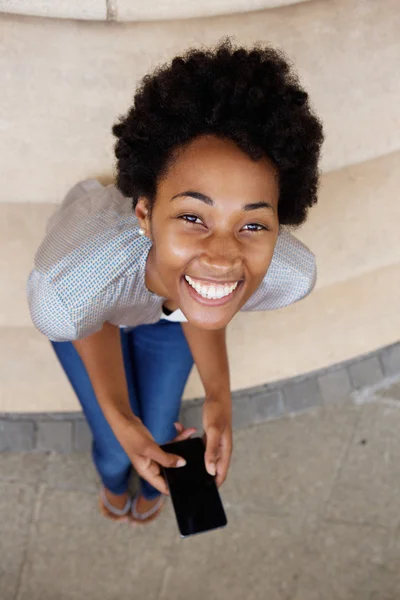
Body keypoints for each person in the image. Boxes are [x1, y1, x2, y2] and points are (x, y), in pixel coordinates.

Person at [27, 39, 323, 525]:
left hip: (166, 309)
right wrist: (120, 417)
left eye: (252, 224)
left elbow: (204, 295)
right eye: (192, 216)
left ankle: (150, 486)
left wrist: (218, 394)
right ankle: (111, 478)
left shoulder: (288, 274)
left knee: (162, 426)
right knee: (113, 445)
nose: (225, 256)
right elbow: (84, 315)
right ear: (144, 212)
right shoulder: (66, 287)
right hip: (92, 313)